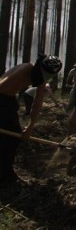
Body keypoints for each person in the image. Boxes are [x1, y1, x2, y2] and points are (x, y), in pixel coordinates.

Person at [0, 54, 62, 185]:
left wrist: (30, 126)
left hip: (9, 101)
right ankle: (5, 175)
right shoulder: (25, 69)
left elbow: (37, 103)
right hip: (2, 100)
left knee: (13, 137)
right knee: (10, 137)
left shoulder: (40, 77)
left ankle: (6, 172)